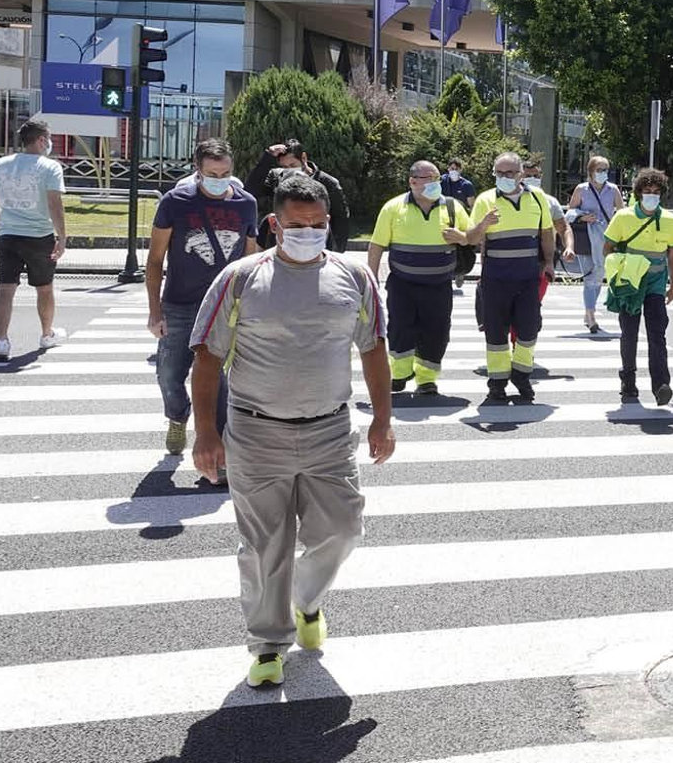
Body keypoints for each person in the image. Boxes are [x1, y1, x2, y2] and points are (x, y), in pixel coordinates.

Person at [189, 172, 393, 689]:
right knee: (264, 547)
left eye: (318, 224)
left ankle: (307, 600)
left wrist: (384, 421)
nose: (309, 232)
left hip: (330, 431)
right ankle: (267, 644)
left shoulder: (354, 276)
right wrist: (206, 434)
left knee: (343, 529)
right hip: (257, 433)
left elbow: (373, 348)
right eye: (298, 225)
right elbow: (207, 357)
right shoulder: (241, 278)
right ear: (275, 224)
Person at [146, 138, 259, 465]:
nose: (219, 179)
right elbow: (155, 259)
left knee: (220, 381)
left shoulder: (245, 204)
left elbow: (249, 258)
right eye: (212, 173)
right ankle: (178, 416)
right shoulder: (175, 201)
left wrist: (248, 304)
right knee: (169, 375)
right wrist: (155, 311)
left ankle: (218, 452)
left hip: (224, 308)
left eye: (225, 173)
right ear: (198, 171)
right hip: (179, 304)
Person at [366, 160, 471, 397]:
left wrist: (462, 237)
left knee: (437, 331)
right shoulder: (393, 208)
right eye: (430, 179)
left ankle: (426, 379)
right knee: (400, 328)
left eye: (437, 178)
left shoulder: (453, 207)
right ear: (413, 181)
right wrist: (371, 281)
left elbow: (474, 237)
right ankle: (400, 374)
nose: (437, 183)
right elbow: (377, 246)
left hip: (439, 285)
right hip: (403, 284)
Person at [465, 152, 555, 402]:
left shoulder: (537, 198)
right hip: (495, 279)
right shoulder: (485, 200)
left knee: (529, 330)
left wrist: (548, 262)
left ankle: (521, 375)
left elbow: (546, 232)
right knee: (495, 334)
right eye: (499, 173)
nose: (504, 177)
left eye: (509, 173)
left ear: (521, 174)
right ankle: (497, 382)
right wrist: (482, 225)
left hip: (527, 279)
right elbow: (470, 238)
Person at [0, 120, 67, 361]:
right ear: (42, 140)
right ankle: (46, 334)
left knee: (5, 287)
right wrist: (62, 236)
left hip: (8, 235)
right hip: (39, 235)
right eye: (49, 139)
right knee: (44, 288)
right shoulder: (50, 167)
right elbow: (55, 204)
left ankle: (1, 341)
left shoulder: (0, 165)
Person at [603, 169, 673, 404]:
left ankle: (661, 385)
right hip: (630, 284)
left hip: (656, 284)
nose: (652, 196)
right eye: (647, 191)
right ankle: (628, 380)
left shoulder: (670, 220)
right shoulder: (623, 217)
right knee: (629, 333)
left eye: (656, 192)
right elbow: (607, 247)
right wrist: (615, 277)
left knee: (657, 335)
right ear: (638, 193)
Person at [248, 140, 350, 252]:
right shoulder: (276, 178)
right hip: (280, 248)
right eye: (284, 167)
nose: (289, 170)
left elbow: (341, 223)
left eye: (292, 165)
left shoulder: (328, 183)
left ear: (303, 158)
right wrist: (268, 157)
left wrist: (334, 254)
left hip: (317, 249)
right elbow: (250, 192)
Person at [566, 155, 621, 333]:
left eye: (606, 170)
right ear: (590, 171)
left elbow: (621, 213)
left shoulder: (613, 190)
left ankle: (589, 310)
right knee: (590, 277)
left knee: (598, 277)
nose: (603, 173)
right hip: (585, 239)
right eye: (599, 169)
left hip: (606, 240)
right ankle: (591, 315)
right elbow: (570, 211)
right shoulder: (581, 189)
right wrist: (582, 216)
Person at [520, 157, 574, 300]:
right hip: (516, 257)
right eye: (528, 176)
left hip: (543, 259)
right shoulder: (510, 199)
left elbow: (563, 228)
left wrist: (569, 246)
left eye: (536, 176)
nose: (533, 179)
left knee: (534, 301)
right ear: (520, 176)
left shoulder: (550, 201)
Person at [441, 160, 477, 288]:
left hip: (460, 219)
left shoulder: (466, 185)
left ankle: (459, 271)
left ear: (461, 170)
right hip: (444, 218)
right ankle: (446, 274)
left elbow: (472, 205)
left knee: (460, 248)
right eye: (451, 168)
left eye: (456, 169)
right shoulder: (442, 181)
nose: (453, 171)